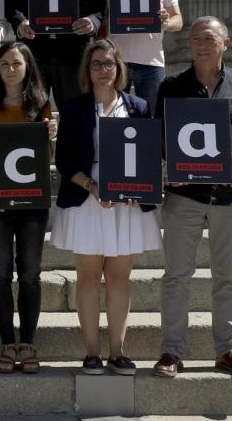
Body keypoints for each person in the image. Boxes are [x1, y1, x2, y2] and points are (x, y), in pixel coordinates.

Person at [153, 16, 232, 379]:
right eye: (194, 39)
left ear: (225, 43)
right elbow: (158, 137)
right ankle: (171, 352)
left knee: (228, 277)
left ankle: (228, 351)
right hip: (183, 196)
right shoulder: (171, 86)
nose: (200, 45)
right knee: (176, 276)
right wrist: (166, 165)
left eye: (207, 38)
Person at [51, 38, 160, 375]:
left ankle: (118, 352)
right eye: (96, 64)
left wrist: (133, 186)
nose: (103, 70)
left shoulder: (138, 106)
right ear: (87, 69)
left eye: (108, 63)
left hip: (127, 202)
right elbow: (64, 161)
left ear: (119, 68)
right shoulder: (73, 108)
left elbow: (146, 155)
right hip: (87, 197)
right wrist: (93, 186)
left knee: (118, 277)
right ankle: (92, 353)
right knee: (87, 276)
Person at [0, 41, 56, 374]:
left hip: (32, 202)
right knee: (0, 274)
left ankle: (28, 343)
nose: (10, 69)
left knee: (31, 275)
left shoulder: (41, 105)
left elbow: (46, 158)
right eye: (4, 63)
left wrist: (52, 136)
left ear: (28, 67)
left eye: (16, 63)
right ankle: (8, 343)